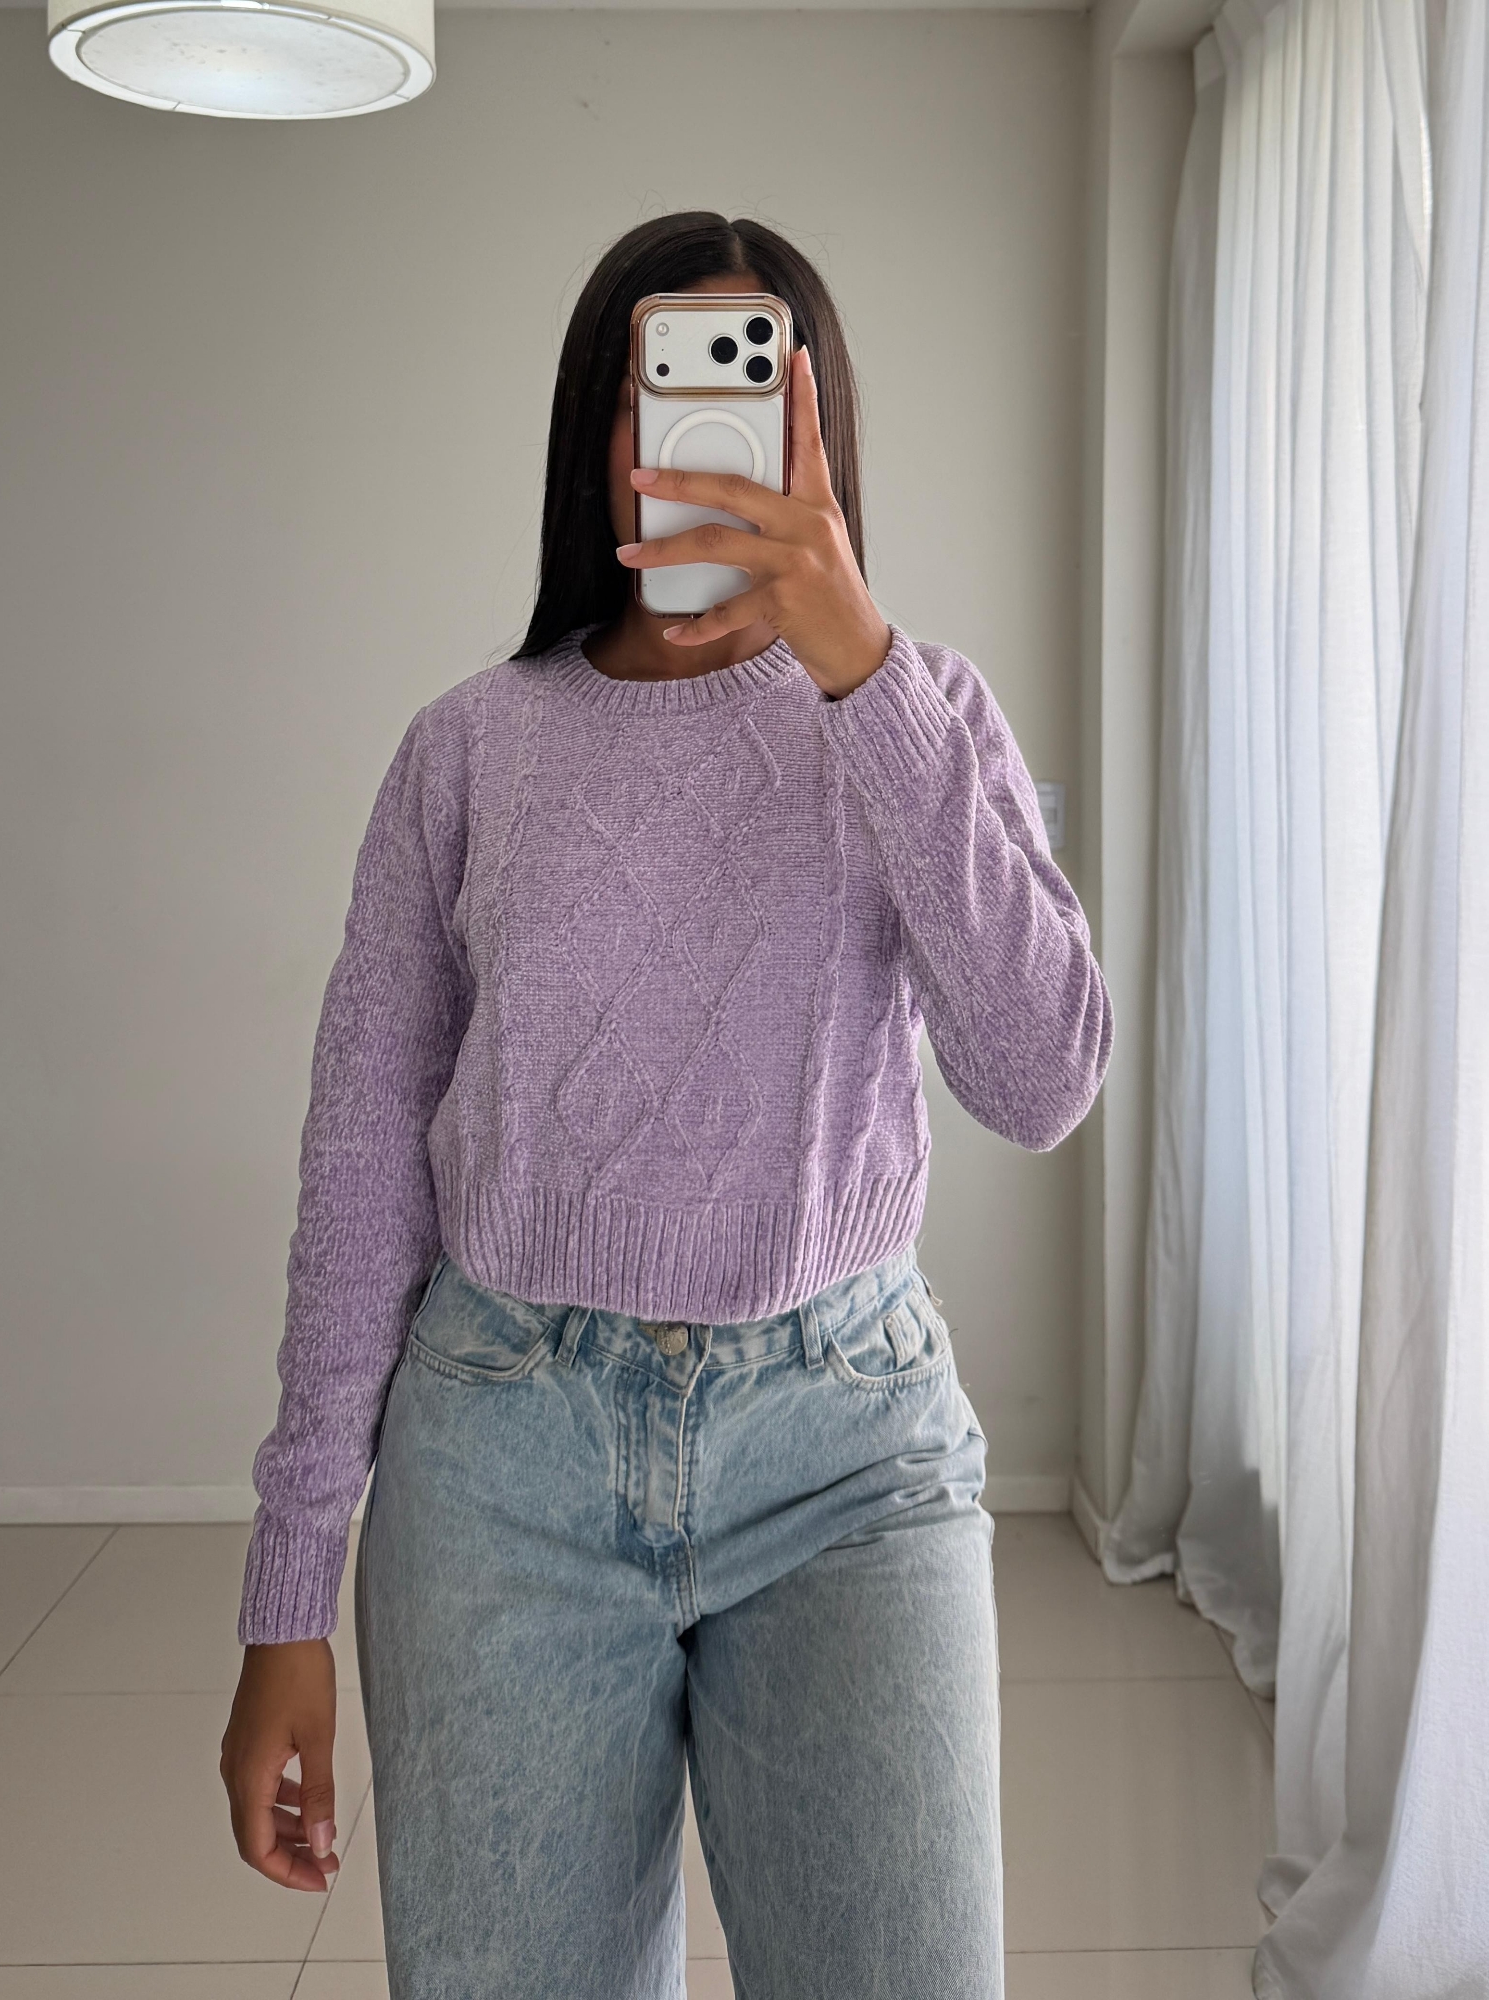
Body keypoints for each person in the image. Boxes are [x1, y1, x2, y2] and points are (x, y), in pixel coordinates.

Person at [219, 210, 1113, 2000]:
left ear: (817, 430)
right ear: (599, 428)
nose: (709, 427)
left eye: (757, 385)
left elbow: (1043, 1081)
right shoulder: (467, 749)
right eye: (665, 384)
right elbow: (362, 1163)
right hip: (501, 1464)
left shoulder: (923, 715)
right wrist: (287, 1590)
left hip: (849, 1455)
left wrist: (865, 672)